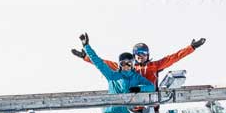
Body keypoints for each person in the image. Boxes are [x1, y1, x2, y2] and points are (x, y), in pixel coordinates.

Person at [72, 34, 205, 88]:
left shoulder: (155, 65)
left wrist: (191, 47)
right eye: (137, 54)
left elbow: (174, 57)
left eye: (143, 53)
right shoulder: (127, 66)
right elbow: (103, 63)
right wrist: (86, 57)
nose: (140, 56)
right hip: (132, 102)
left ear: (148, 55)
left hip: (150, 101)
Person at [73, 33, 157, 113]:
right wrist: (86, 46)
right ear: (120, 65)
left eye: (129, 63)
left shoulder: (136, 77)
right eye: (123, 63)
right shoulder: (113, 75)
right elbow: (98, 62)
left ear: (132, 64)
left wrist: (139, 88)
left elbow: (152, 87)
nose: (126, 66)